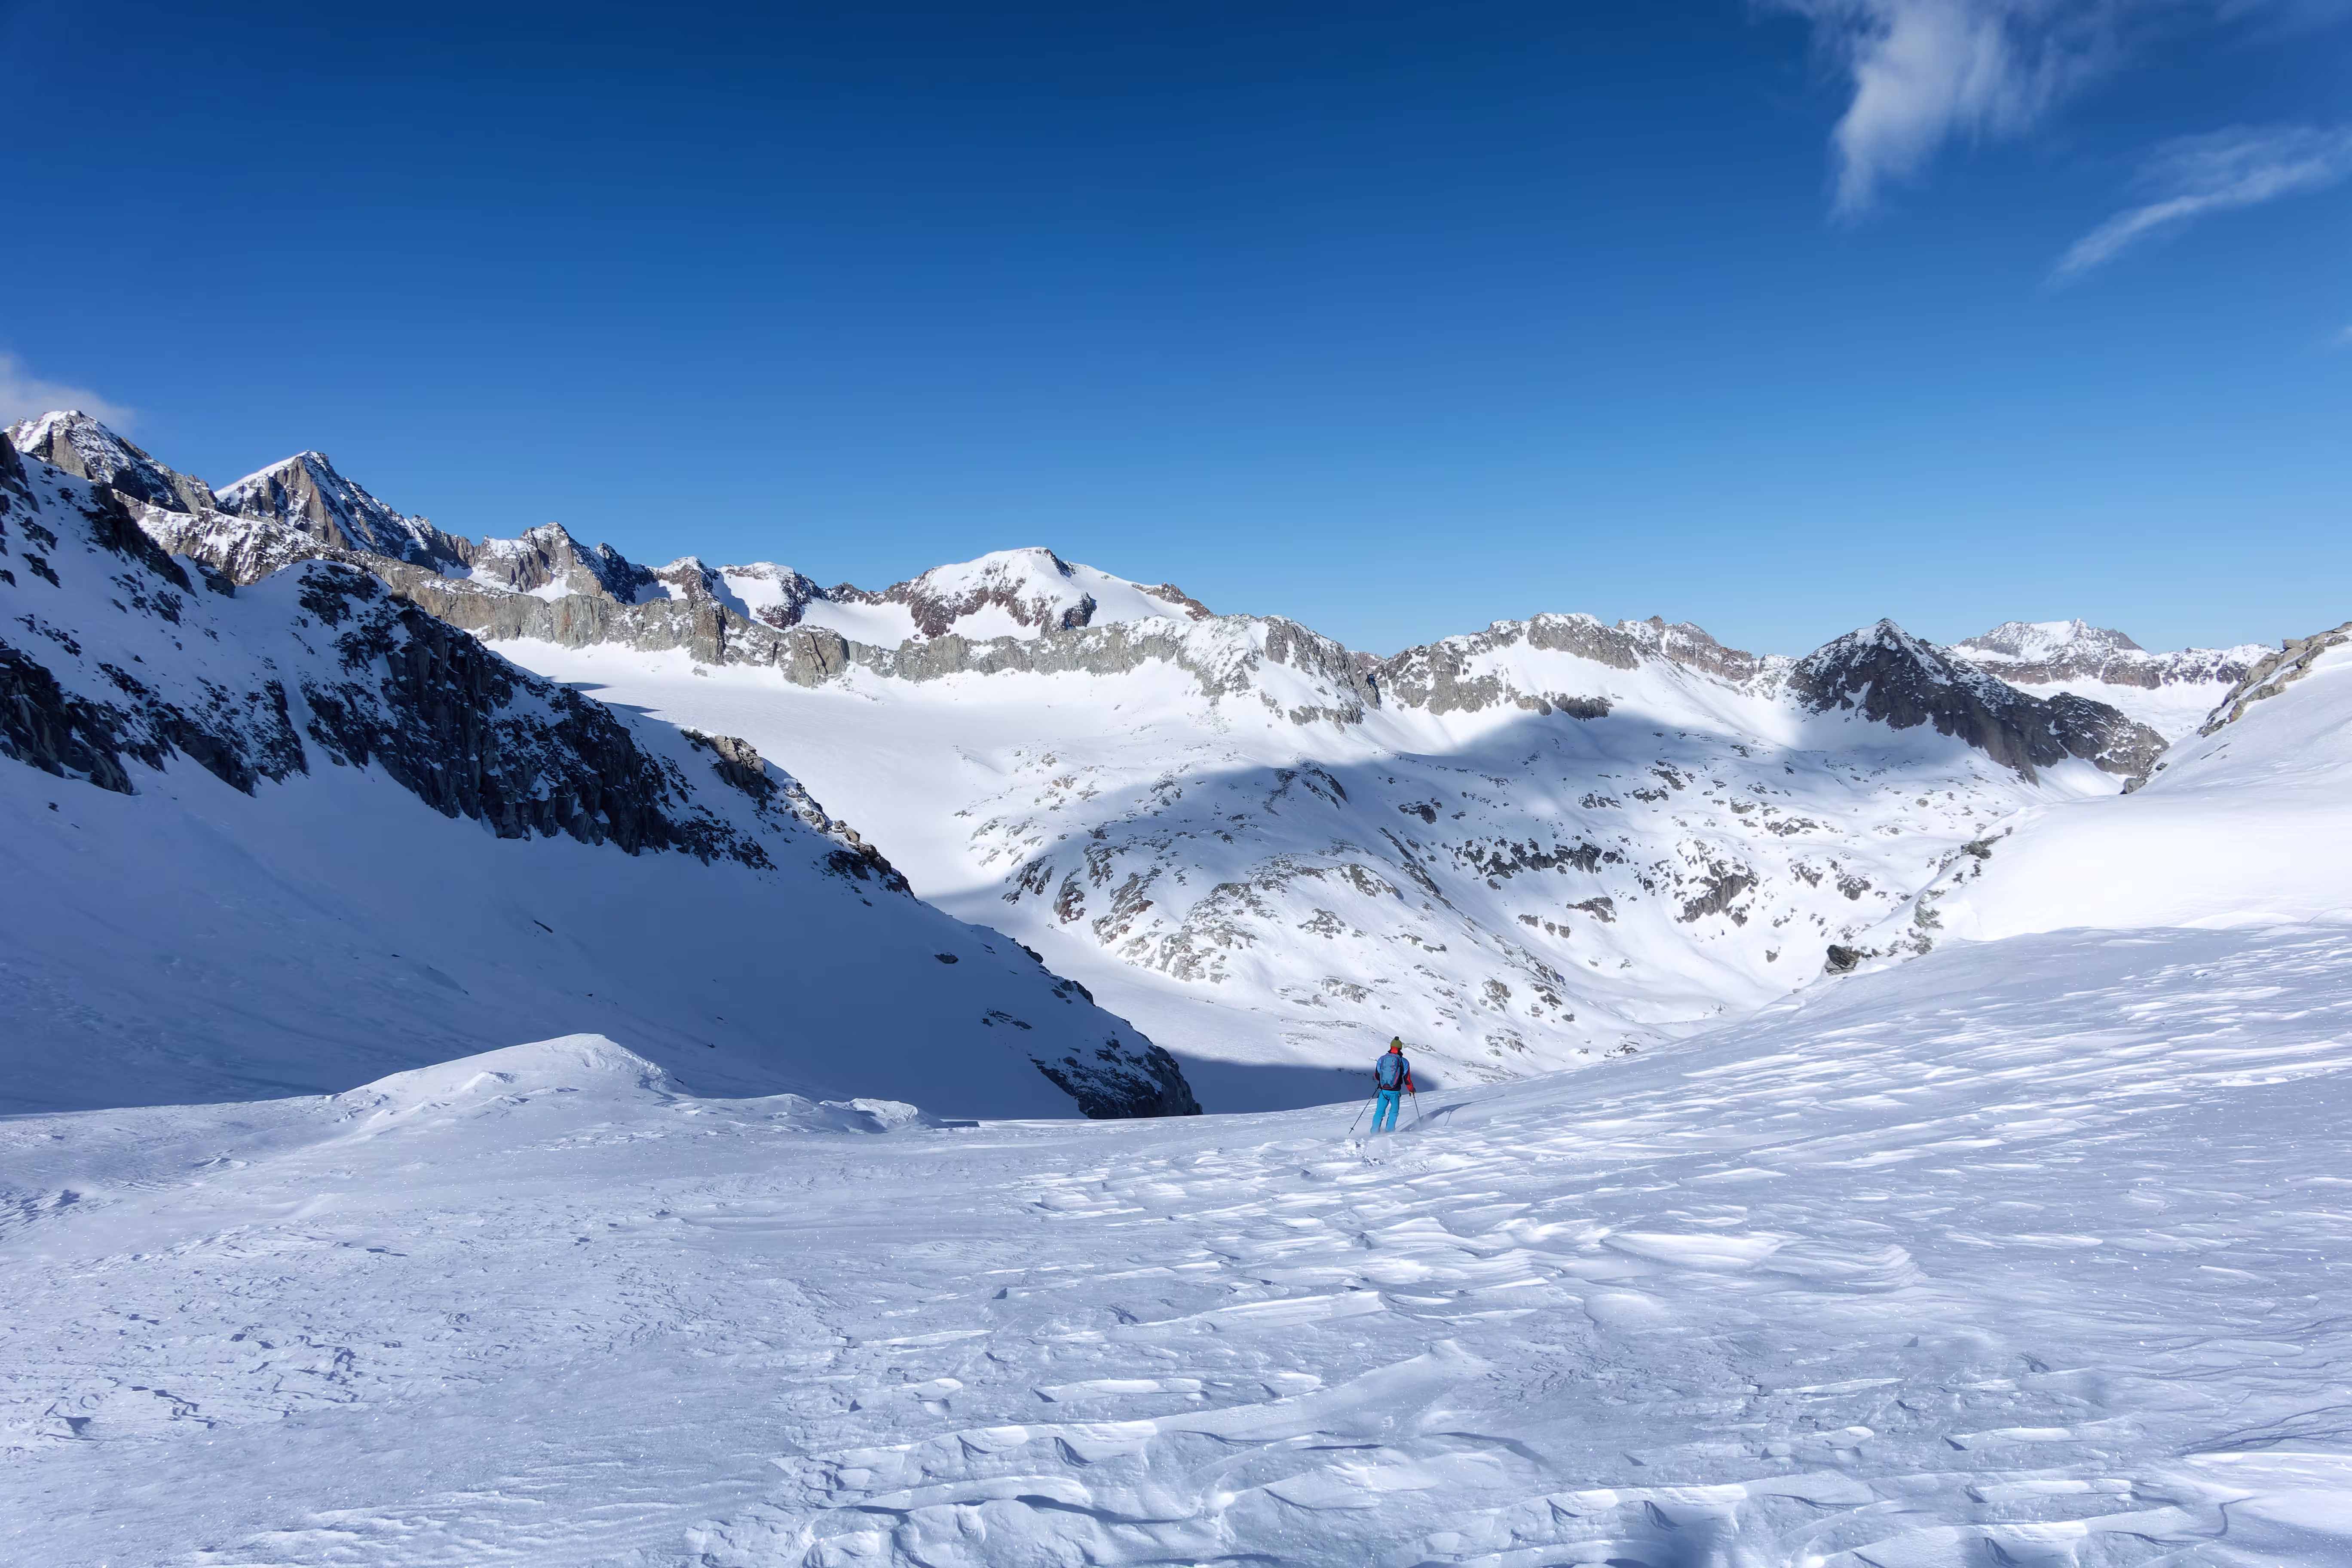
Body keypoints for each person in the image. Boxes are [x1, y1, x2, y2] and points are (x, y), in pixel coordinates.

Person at [1370, 1038, 1415, 1133]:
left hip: (1383, 1090)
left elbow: (1377, 1076)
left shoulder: (1382, 1059)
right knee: (1394, 1112)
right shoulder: (1404, 1062)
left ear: (1391, 1047)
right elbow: (1407, 1079)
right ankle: (1389, 1132)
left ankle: (1374, 1132)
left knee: (1379, 1112)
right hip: (1395, 1091)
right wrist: (1411, 1089)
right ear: (1400, 1049)